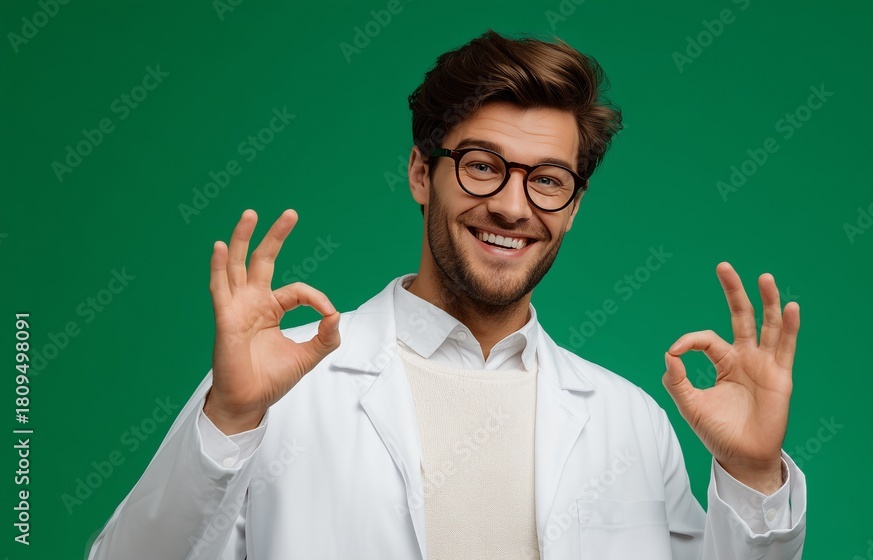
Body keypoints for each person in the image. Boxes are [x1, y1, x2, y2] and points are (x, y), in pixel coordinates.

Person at [88, 29, 805, 559]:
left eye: (547, 180)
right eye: (483, 165)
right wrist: (229, 418)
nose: (513, 207)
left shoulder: (631, 424)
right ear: (420, 174)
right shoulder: (279, 391)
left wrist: (749, 476)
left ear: (575, 205)